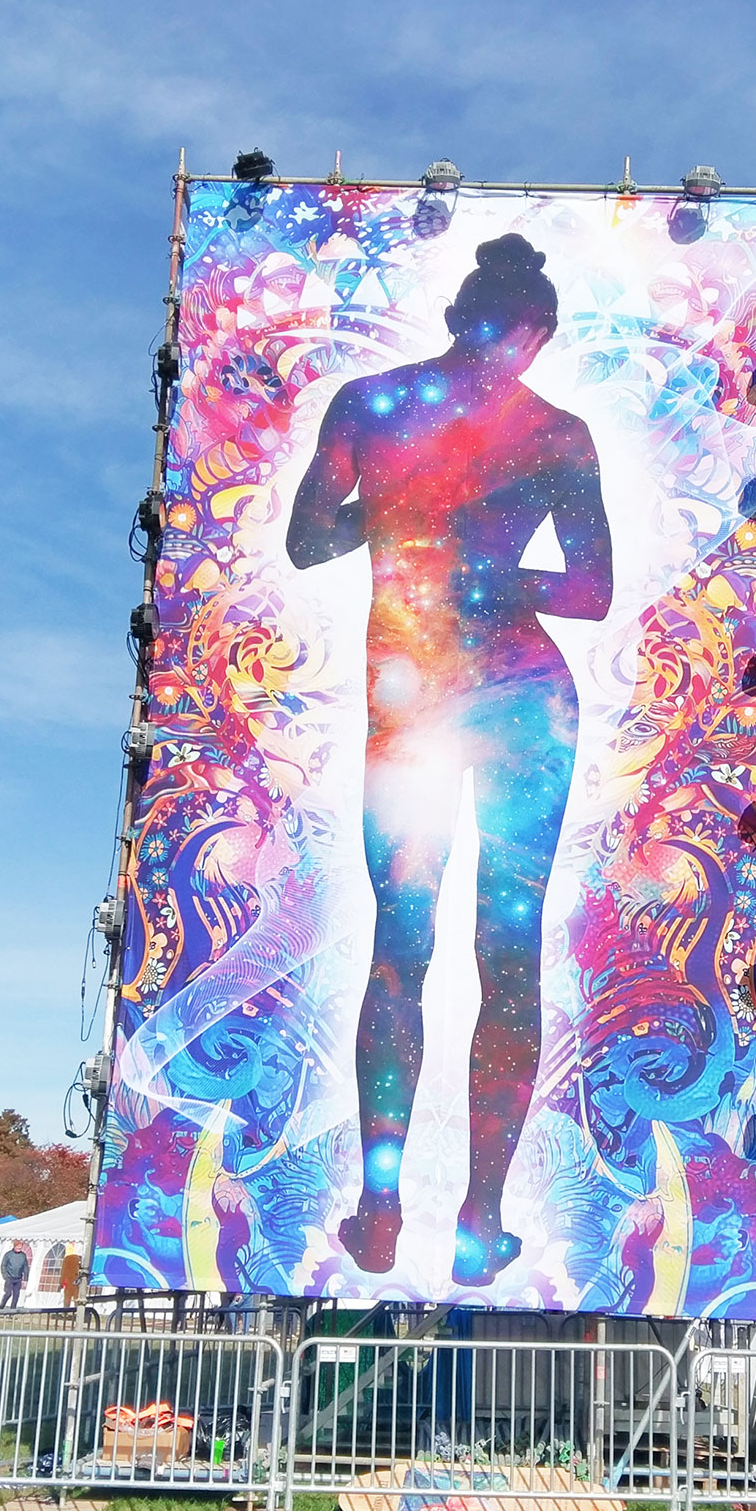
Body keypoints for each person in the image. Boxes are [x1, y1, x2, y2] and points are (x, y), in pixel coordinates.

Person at [288, 234, 614, 1288]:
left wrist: (396, 521)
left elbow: (308, 540)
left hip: (416, 692)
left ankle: (383, 1203)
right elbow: (589, 587)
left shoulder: (372, 405)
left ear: (463, 317)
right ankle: (477, 1217)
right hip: (521, 696)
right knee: (506, 950)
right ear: (528, 334)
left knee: (403, 945)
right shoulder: (555, 429)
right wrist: (498, 575)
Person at [0, 1241, 30, 1311]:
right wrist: (5, 1275)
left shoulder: (23, 1255)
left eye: (20, 1247)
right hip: (9, 1277)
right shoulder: (8, 1255)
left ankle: (12, 1310)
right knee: (8, 1293)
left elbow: (25, 1267)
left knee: (16, 1295)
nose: (19, 1248)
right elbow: (3, 1265)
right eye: (18, 1247)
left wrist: (25, 1279)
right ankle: (1, 1306)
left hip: (18, 1278)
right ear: (14, 1246)